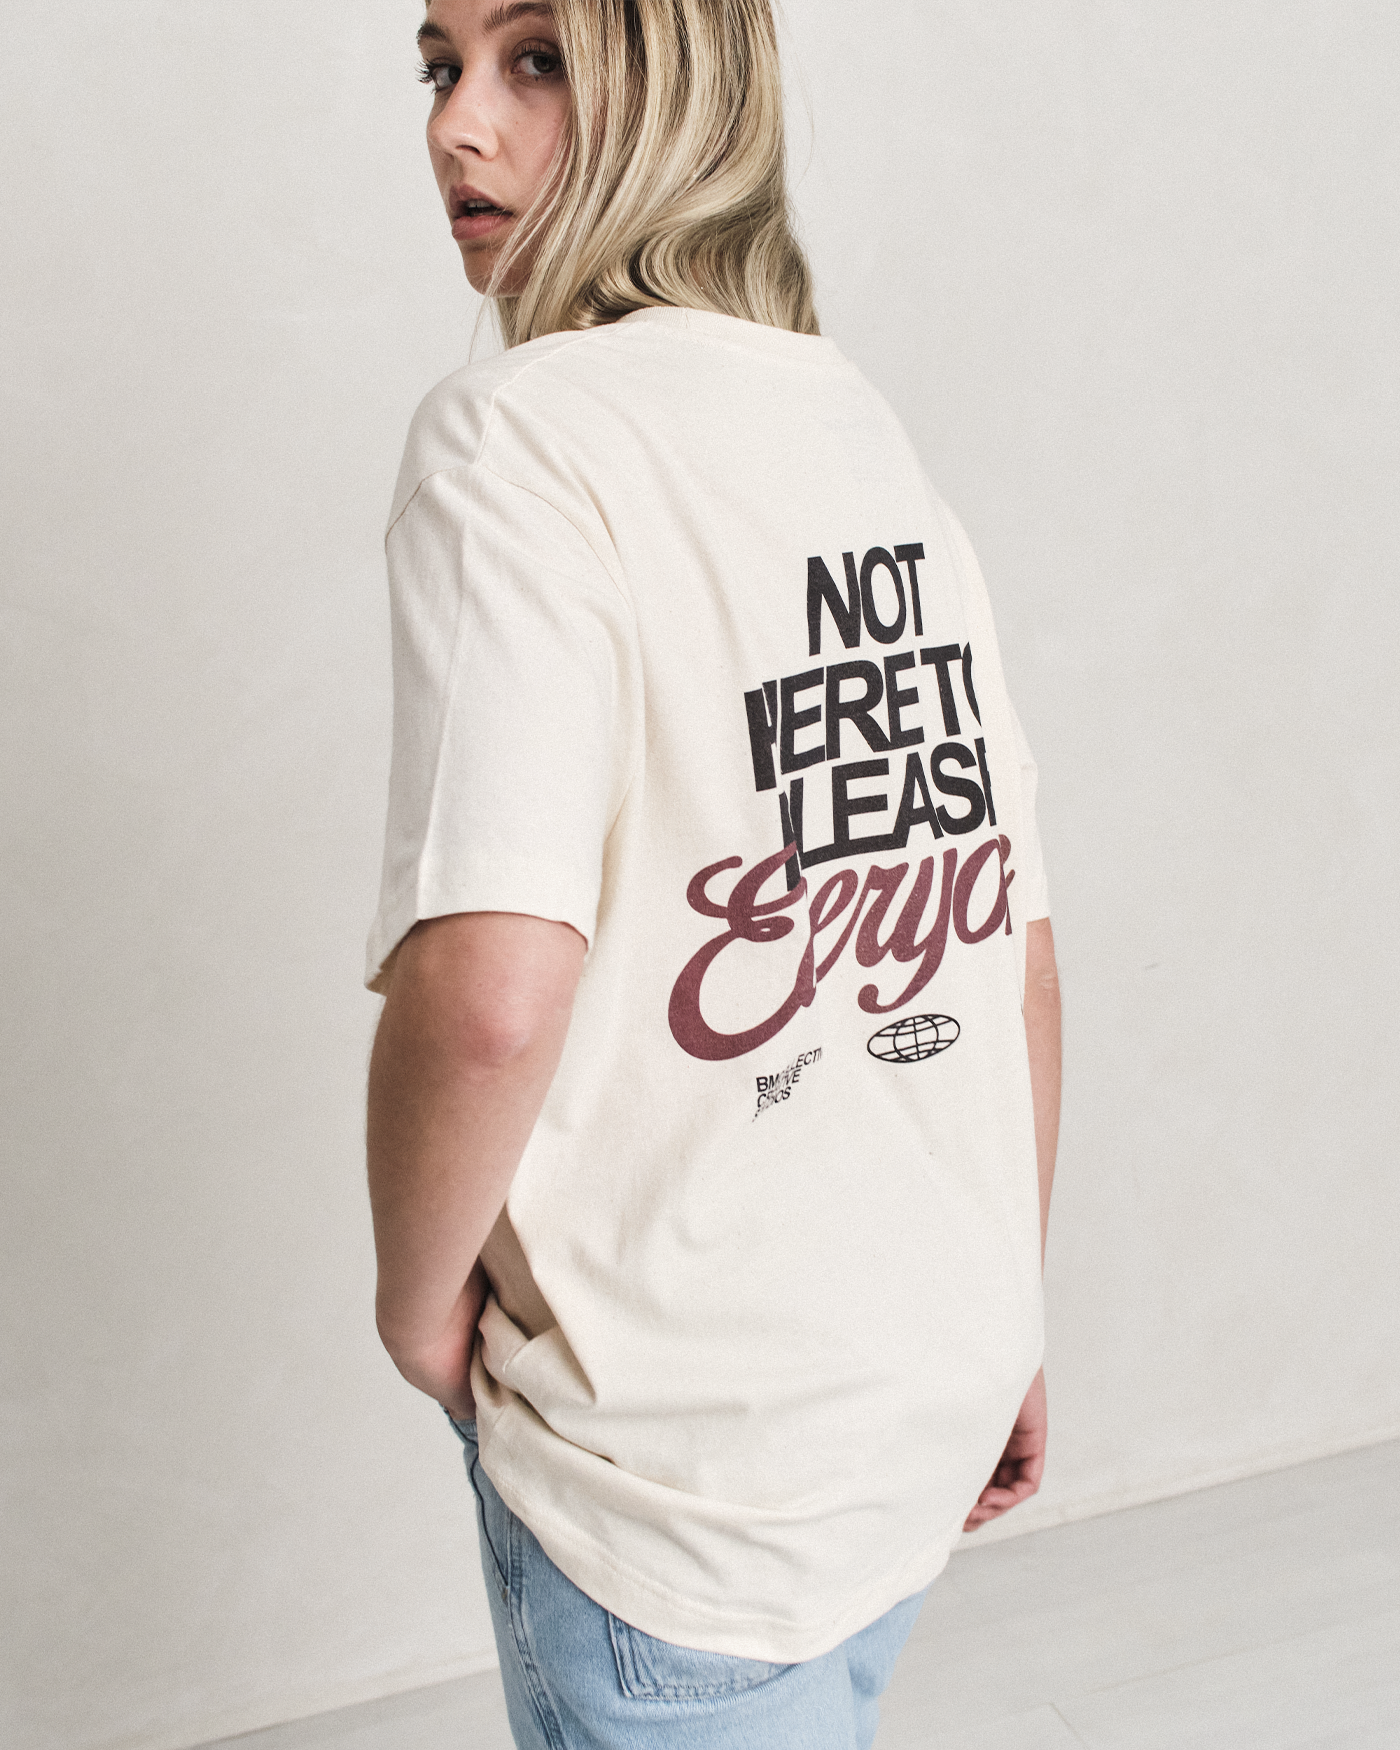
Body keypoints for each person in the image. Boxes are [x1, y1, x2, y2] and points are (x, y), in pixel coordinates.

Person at [365, 1, 1062, 1746]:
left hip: (676, 1481)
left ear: (679, 79)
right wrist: (1008, 1313)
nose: (457, 124)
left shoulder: (513, 438)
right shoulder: (858, 428)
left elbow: (490, 989)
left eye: (534, 57)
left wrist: (415, 1301)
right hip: (914, 1408)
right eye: (439, 66)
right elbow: (1010, 947)